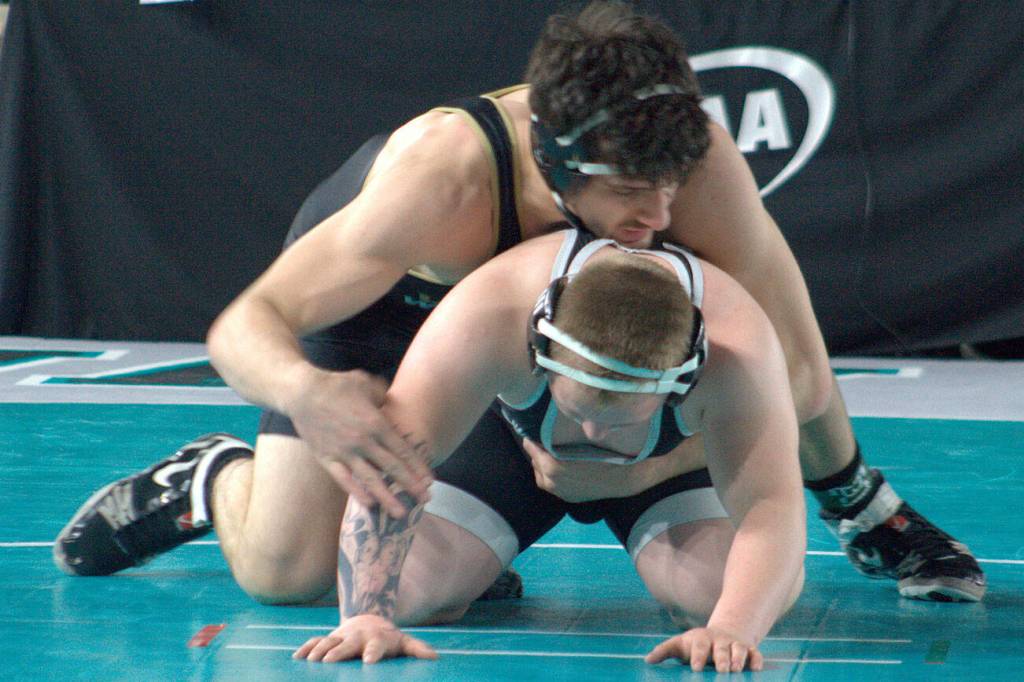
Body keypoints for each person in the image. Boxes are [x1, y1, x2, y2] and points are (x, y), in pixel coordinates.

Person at [53, 1, 983, 604]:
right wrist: (305, 392)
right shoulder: (440, 180)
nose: (662, 217)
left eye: (671, 185)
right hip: (392, 316)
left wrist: (862, 508)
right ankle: (212, 481)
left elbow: (797, 361)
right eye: (632, 193)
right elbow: (241, 326)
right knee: (290, 573)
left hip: (539, 334)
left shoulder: (682, 158)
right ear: (555, 166)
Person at [292, 228, 806, 673]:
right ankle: (220, 466)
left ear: (683, 381)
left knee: (721, 602)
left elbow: (772, 508)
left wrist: (733, 630)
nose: (589, 434)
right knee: (405, 596)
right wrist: (367, 615)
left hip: (660, 469)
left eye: (617, 420)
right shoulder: (490, 312)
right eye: (578, 408)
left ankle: (481, 554)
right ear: (539, 351)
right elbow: (393, 462)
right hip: (513, 444)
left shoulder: (739, 353)